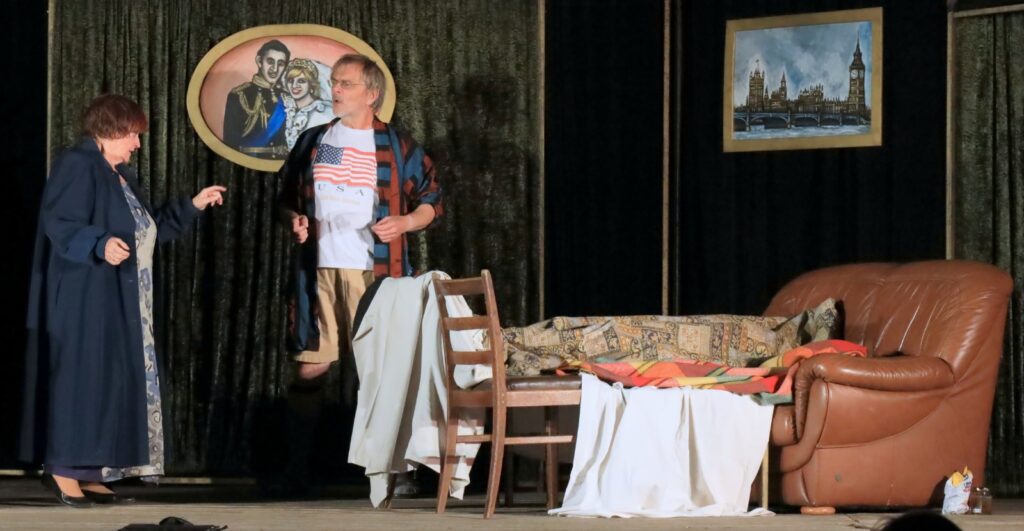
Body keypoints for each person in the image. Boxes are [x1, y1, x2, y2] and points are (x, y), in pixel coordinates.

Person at [20, 94, 227, 508]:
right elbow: (59, 222)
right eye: (132, 134)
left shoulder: (120, 175)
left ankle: (93, 470)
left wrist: (192, 206)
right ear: (110, 129)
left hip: (125, 297)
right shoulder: (78, 164)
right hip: (86, 295)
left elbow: (147, 230)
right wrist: (99, 243)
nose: (137, 143)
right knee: (82, 378)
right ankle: (63, 468)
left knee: (110, 382)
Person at [271, 53, 442, 494]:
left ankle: (396, 473)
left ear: (372, 94)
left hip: (377, 273)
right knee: (311, 368)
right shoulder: (315, 140)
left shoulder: (397, 145)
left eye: (346, 84)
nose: (336, 90)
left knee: (384, 372)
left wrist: (405, 222)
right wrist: (295, 220)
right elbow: (286, 198)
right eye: (334, 82)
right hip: (320, 271)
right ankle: (297, 470)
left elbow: (432, 201)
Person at [223, 39, 290, 158]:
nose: (275, 69)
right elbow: (230, 144)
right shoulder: (240, 95)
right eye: (270, 61)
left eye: (280, 64)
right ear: (259, 61)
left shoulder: (288, 97)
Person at [282, 58, 335, 149]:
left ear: (311, 85)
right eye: (291, 81)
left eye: (301, 81)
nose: (294, 86)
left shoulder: (324, 112)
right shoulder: (286, 109)